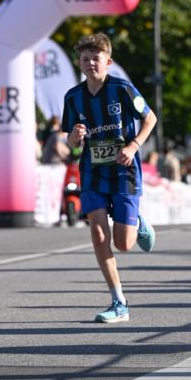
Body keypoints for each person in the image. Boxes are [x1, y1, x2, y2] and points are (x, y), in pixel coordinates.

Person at [62, 32, 157, 324]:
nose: (90, 63)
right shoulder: (73, 97)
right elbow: (70, 143)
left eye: (96, 58)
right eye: (85, 59)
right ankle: (119, 302)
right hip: (92, 170)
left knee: (124, 243)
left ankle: (137, 222)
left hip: (124, 170)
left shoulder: (122, 89)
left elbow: (150, 118)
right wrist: (73, 139)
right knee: (98, 234)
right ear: (79, 63)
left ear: (108, 61)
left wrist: (133, 145)